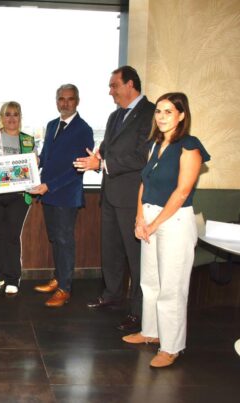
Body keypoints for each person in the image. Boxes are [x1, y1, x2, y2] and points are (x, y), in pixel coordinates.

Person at [123, 92, 210, 368]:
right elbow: (144, 184)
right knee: (150, 282)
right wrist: (140, 219)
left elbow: (182, 191)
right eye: (158, 111)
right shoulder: (154, 144)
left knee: (172, 288)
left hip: (174, 222)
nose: (161, 117)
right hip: (149, 218)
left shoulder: (190, 146)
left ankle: (171, 347)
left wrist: (154, 223)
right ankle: (151, 332)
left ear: (181, 115)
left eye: (168, 111)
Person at [74, 66, 155, 332]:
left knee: (136, 258)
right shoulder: (114, 116)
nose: (110, 92)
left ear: (130, 84)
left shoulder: (151, 113)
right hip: (109, 195)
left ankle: (139, 312)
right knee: (111, 251)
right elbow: (107, 149)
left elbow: (142, 156)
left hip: (133, 198)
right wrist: (97, 158)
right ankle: (111, 295)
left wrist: (103, 164)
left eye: (114, 86)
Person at [30, 84, 94, 307]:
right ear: (56, 101)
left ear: (77, 101)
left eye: (70, 99)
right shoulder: (51, 125)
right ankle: (58, 278)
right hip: (48, 194)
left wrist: (49, 186)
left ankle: (65, 289)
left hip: (66, 196)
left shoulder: (84, 129)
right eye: (61, 99)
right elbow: (46, 156)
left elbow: (78, 169)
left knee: (65, 241)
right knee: (55, 239)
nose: (65, 103)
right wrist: (34, 162)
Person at [0, 101, 36, 295]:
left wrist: (35, 162)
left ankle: (12, 278)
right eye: (7, 114)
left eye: (15, 114)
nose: (11, 118)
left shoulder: (28, 140)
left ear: (20, 117)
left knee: (12, 235)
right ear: (1, 117)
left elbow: (33, 167)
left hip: (18, 196)